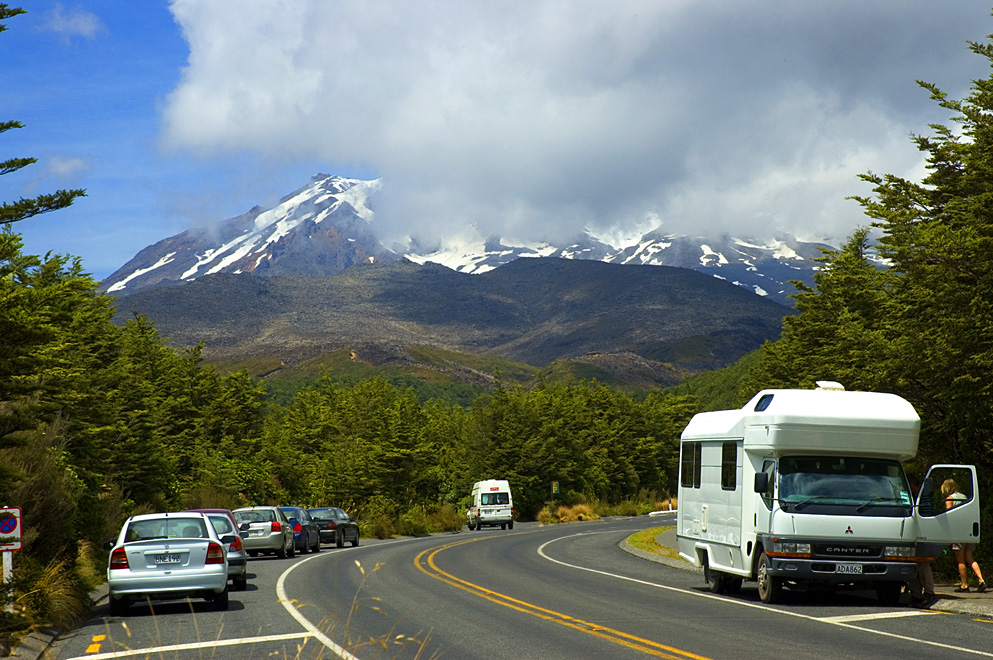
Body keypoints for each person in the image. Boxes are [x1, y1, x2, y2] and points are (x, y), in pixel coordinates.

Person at [942, 478, 987, 593]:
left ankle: (964, 585)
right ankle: (981, 580)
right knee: (970, 558)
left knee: (960, 560)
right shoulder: (964, 497)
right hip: (969, 531)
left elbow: (948, 516)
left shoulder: (950, 499)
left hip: (958, 532)